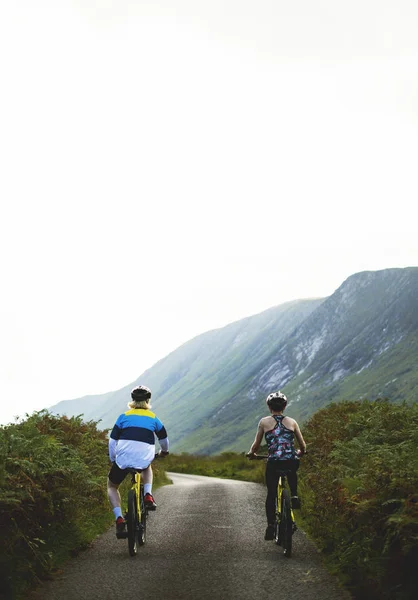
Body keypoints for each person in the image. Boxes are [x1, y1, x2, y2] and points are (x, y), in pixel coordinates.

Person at [107, 385, 169, 535]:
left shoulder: (124, 417)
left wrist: (113, 458)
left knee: (111, 486)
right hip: (143, 458)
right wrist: (164, 452)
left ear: (132, 400)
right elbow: (164, 438)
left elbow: (112, 441)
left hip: (122, 459)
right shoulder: (153, 418)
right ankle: (148, 494)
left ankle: (119, 518)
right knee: (147, 466)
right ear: (148, 400)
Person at [247, 391, 306, 541]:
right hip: (291, 460)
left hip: (273, 461)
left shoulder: (264, 422)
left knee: (271, 494)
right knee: (292, 465)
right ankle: (294, 494)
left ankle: (271, 526)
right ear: (285, 406)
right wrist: (301, 452)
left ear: (269, 406)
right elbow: (302, 445)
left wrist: (251, 454)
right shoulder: (292, 422)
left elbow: (256, 445)